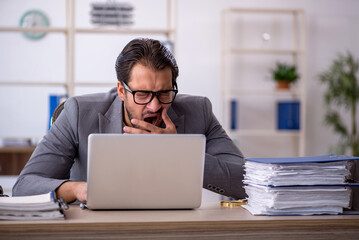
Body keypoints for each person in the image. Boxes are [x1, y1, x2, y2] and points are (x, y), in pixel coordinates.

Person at [12, 38, 246, 203]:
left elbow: (245, 182)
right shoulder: (77, 113)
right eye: (142, 94)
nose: (155, 106)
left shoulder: (199, 110)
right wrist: (78, 189)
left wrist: (179, 152)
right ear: (122, 91)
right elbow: (25, 187)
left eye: (164, 93)